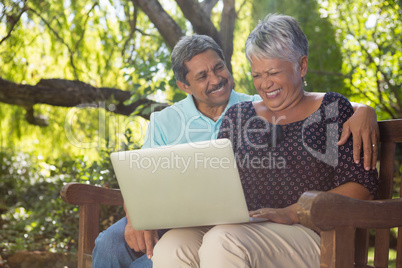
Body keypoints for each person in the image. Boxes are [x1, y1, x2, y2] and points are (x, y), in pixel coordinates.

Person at [92, 33, 379, 267]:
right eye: (202, 76)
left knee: (216, 242)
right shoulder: (185, 118)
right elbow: (139, 178)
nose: (215, 79)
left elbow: (317, 105)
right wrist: (137, 218)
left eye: (219, 68)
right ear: (184, 85)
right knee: (131, 244)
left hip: (267, 228)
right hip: (184, 218)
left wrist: (365, 109)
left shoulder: (261, 102)